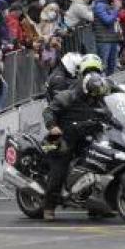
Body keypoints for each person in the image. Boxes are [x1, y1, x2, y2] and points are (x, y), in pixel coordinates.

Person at [41, 60, 113, 220]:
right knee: (59, 168)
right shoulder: (68, 96)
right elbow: (48, 111)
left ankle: (96, 206)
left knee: (100, 164)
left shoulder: (99, 100)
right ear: (86, 89)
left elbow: (110, 115)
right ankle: (49, 206)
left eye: (98, 94)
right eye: (93, 94)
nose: (95, 98)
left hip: (83, 137)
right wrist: (52, 126)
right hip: (58, 136)